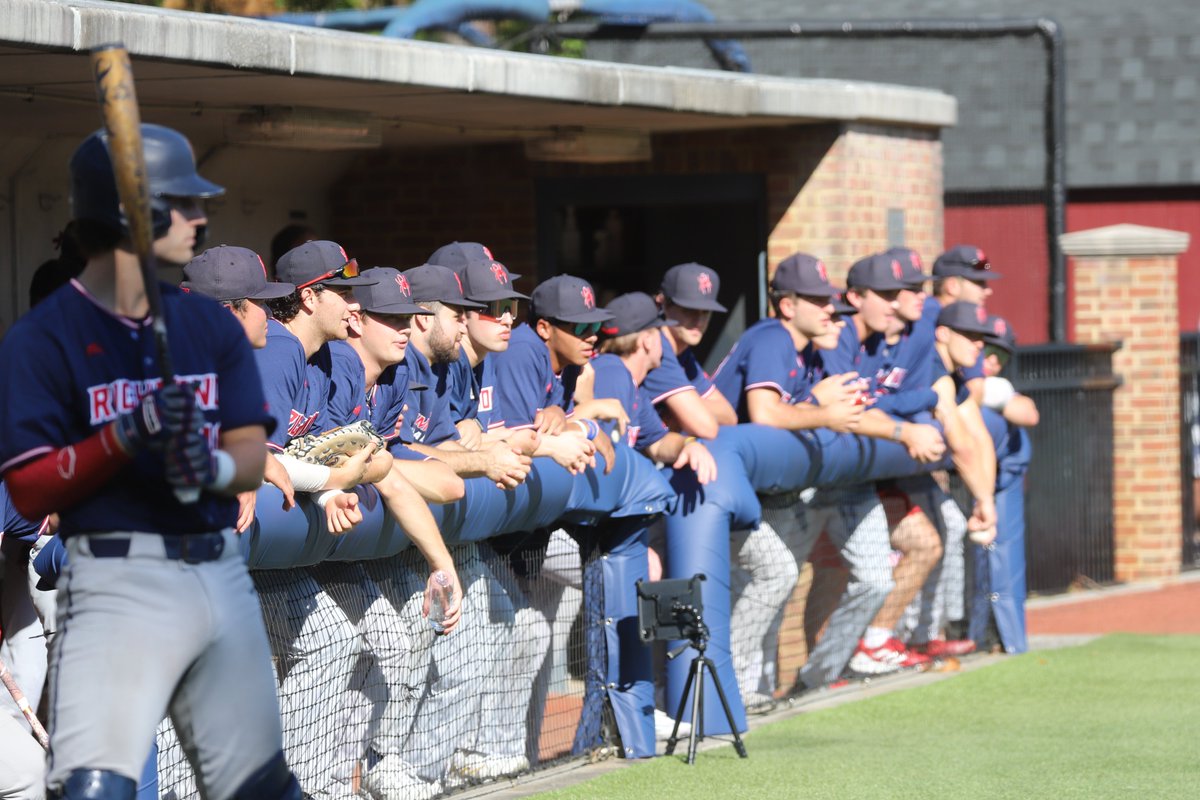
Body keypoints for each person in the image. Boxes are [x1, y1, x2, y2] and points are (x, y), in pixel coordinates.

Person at [0, 124, 300, 798]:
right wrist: (123, 438)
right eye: (182, 203)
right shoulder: (42, 339)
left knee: (260, 786)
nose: (199, 217)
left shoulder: (209, 326)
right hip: (110, 579)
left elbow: (250, 455)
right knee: (97, 787)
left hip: (212, 569)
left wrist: (207, 464)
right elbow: (25, 489)